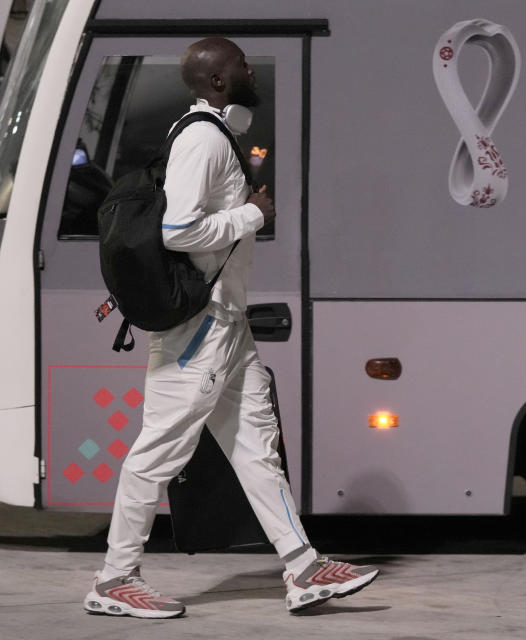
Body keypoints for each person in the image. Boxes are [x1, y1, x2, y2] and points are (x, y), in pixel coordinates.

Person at [83, 37, 378, 619]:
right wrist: (254, 214)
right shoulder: (201, 140)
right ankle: (115, 578)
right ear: (218, 80)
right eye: (241, 64)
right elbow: (177, 230)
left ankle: (302, 565)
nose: (249, 70)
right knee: (159, 450)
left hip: (225, 323)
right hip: (199, 326)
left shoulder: (213, 134)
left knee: (255, 448)